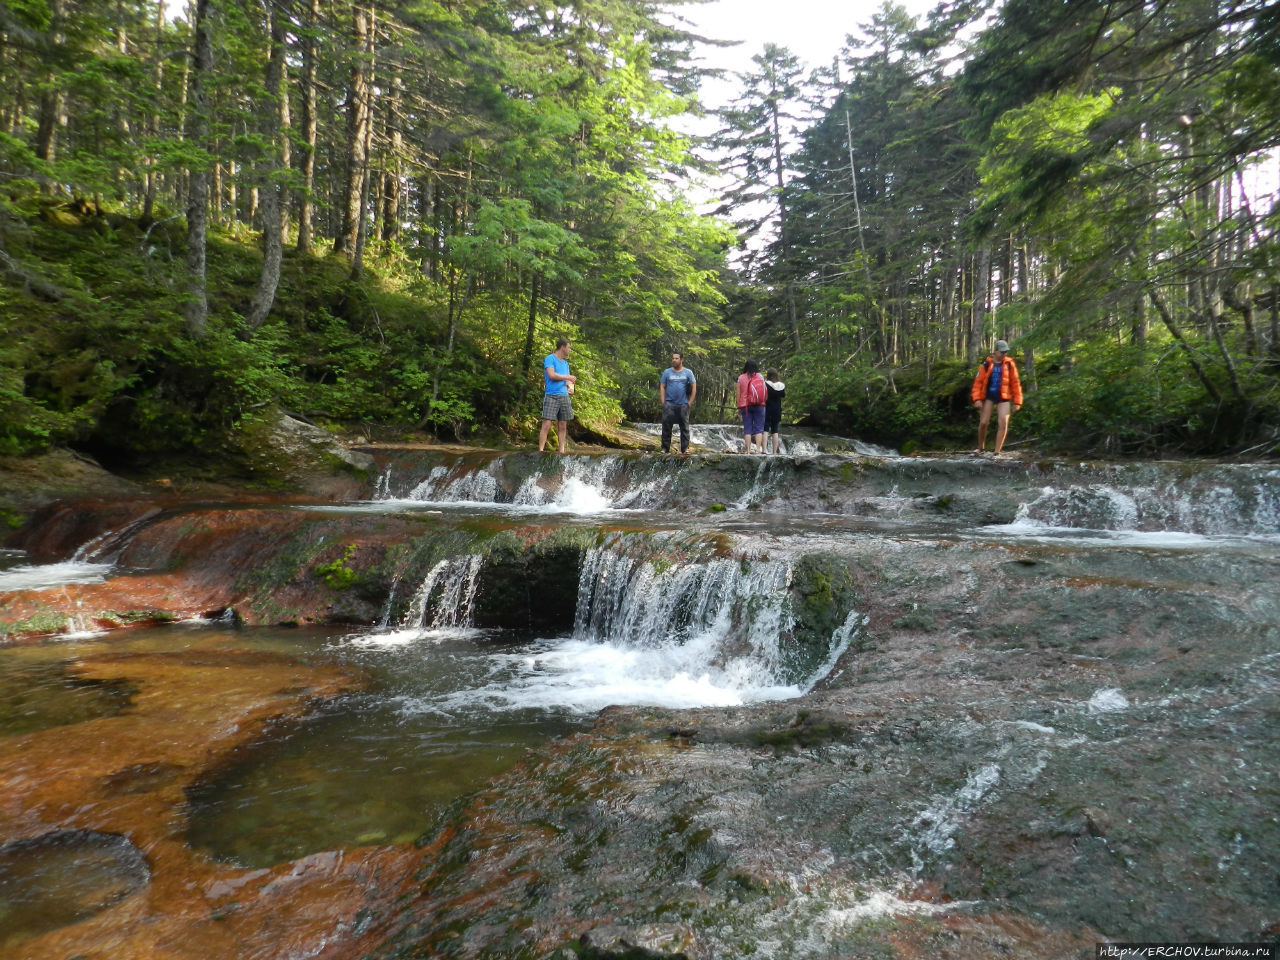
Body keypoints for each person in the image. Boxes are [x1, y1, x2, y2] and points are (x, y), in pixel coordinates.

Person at [970, 338, 1023, 456]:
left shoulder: (1010, 364)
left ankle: (997, 452)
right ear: (995, 351)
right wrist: (977, 399)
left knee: (1003, 422)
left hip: (1003, 396)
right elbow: (978, 383)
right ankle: (980, 447)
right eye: (1002, 352)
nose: (1004, 354)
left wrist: (1017, 401)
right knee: (983, 422)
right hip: (988, 396)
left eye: (1005, 352)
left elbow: (1015, 383)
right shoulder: (986, 364)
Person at [538, 338, 577, 454]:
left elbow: (566, 381)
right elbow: (551, 375)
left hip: (564, 396)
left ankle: (561, 451)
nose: (569, 350)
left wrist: (570, 385)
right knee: (547, 424)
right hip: (551, 395)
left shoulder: (565, 364)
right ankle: (540, 450)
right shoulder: (550, 358)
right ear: (563, 347)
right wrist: (568, 377)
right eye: (569, 347)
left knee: (563, 424)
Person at [659, 352, 696, 455]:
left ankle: (685, 449)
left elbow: (694, 387)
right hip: (669, 403)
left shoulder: (688, 372)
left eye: (676, 358)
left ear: (681, 360)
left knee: (684, 427)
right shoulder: (667, 372)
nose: (674, 360)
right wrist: (663, 402)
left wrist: (690, 402)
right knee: (666, 426)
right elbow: (662, 386)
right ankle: (665, 448)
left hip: (683, 404)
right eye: (673, 358)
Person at [736, 360, 767, 454]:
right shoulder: (760, 376)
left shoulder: (740, 378)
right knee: (759, 429)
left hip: (745, 406)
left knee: (747, 429)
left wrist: (738, 407)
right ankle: (758, 449)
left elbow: (738, 394)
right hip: (759, 404)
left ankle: (748, 450)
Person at [764, 370, 786, 454]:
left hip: (768, 409)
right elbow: (783, 395)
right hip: (777, 410)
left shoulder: (766, 384)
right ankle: (774, 452)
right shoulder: (781, 386)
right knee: (775, 431)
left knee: (765, 429)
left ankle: (764, 450)